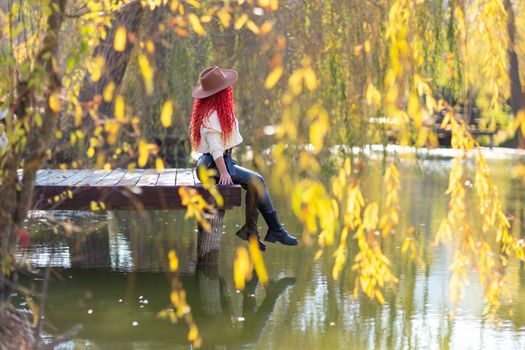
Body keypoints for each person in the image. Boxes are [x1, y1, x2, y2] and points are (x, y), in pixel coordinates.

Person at [190, 66, 298, 251]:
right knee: (257, 180)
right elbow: (216, 148)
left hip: (211, 164)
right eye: (226, 87)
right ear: (221, 92)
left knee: (255, 181)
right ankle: (273, 230)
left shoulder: (211, 110)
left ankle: (254, 230)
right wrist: (224, 172)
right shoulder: (212, 115)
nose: (229, 89)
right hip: (213, 165)